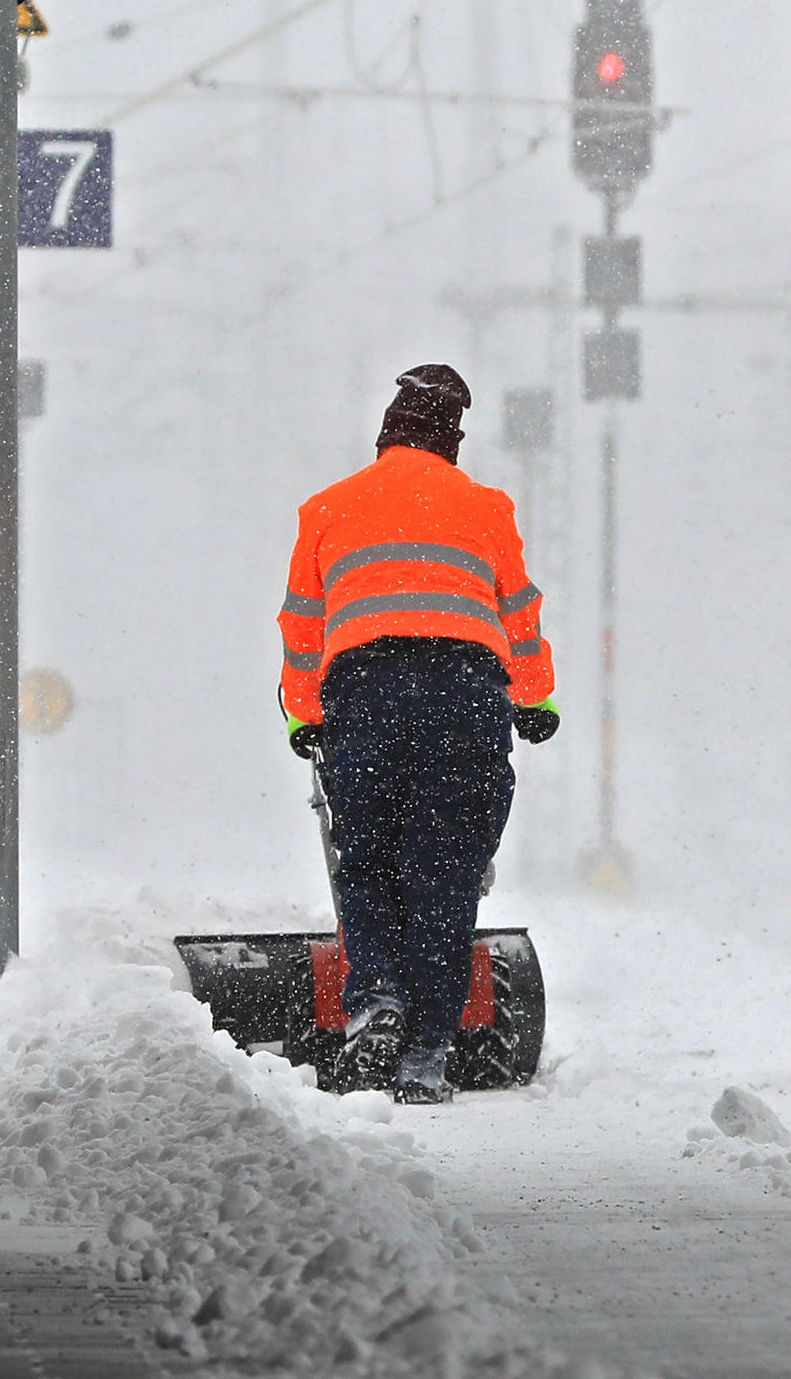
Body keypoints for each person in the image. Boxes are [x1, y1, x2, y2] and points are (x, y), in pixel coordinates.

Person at [276, 365, 559, 1104]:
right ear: (451, 442)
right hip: (464, 693)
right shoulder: (486, 508)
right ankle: (429, 1051)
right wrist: (534, 700)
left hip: (363, 691)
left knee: (364, 859)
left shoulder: (327, 508)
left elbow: (303, 629)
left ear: (386, 437)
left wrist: (307, 716)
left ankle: (374, 996)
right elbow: (518, 614)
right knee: (446, 865)